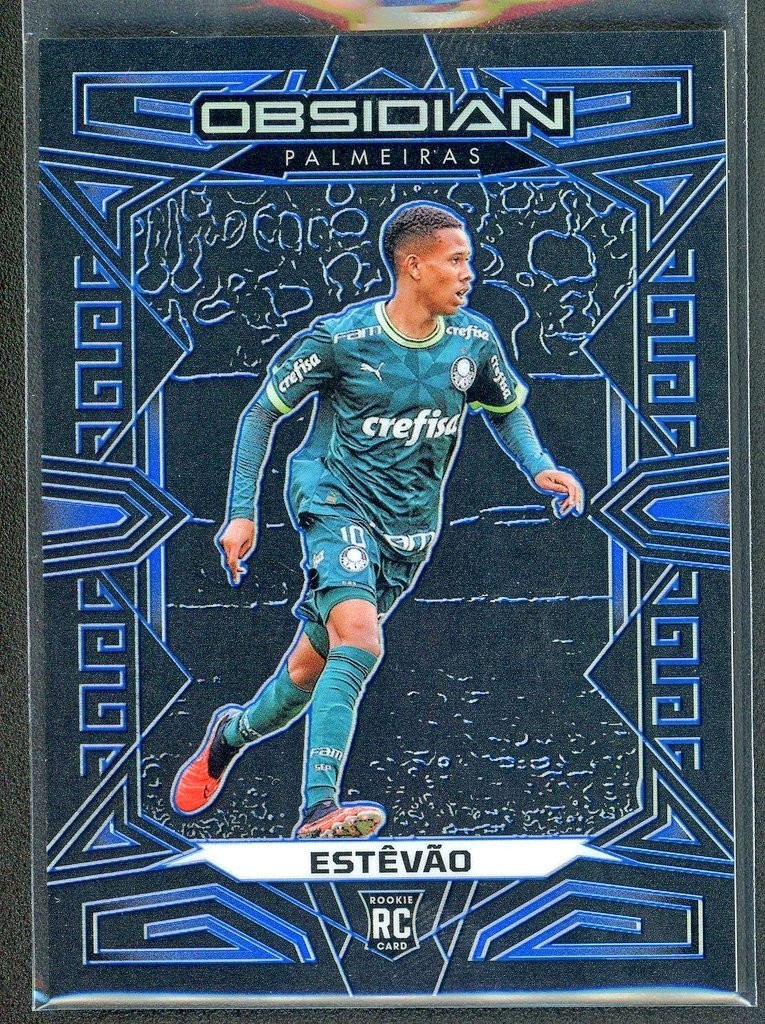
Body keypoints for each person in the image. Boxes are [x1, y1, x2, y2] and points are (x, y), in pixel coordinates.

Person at [171, 203, 584, 839]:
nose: (468, 272)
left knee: (307, 673)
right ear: (413, 265)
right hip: (333, 500)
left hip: (409, 527)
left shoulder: (474, 341)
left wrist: (539, 466)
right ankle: (319, 807)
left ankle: (229, 736)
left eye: (468, 260)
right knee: (361, 641)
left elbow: (506, 411)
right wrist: (241, 513)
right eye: (456, 260)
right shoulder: (341, 339)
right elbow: (261, 413)